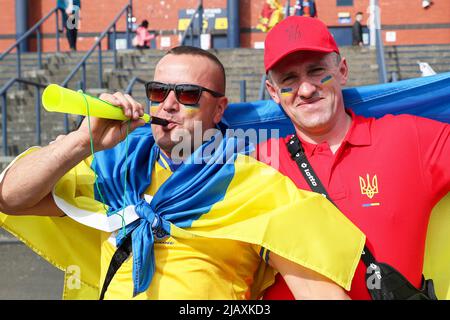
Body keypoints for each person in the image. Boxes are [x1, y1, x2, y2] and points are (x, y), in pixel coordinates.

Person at [0, 46, 365, 300]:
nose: (169, 104)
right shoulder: (116, 170)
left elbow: (317, 292)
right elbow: (12, 198)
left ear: (219, 109)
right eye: (158, 92)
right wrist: (82, 141)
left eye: (188, 95)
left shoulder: (253, 185)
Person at [258, 16, 450, 300]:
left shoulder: (410, 138)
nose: (307, 89)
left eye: (317, 71)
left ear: (343, 70)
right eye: (289, 79)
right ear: (274, 92)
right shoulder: (259, 162)